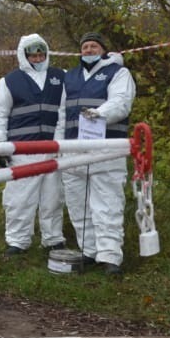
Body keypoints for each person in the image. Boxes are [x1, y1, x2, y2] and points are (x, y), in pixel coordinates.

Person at [60, 32, 135, 275]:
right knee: (77, 203)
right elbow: (61, 114)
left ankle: (110, 256)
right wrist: (56, 146)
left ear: (103, 50)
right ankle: (89, 251)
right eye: (85, 46)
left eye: (94, 46)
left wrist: (99, 113)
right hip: (72, 149)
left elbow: (122, 102)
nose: (89, 50)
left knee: (107, 203)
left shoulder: (118, 73)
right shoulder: (69, 76)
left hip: (107, 148)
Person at [0, 33, 67, 256]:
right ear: (24, 55)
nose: (37, 57)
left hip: (52, 149)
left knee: (53, 197)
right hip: (21, 150)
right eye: (32, 54)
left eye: (41, 52)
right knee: (19, 198)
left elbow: (63, 113)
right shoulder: (9, 81)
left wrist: (60, 145)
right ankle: (17, 241)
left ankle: (53, 238)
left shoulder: (60, 77)